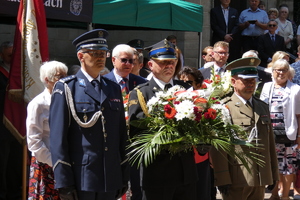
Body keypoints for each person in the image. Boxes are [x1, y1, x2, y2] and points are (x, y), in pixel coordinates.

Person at [49, 29, 129, 200]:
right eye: (94, 53)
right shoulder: (66, 88)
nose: (100, 58)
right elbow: (58, 139)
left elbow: (121, 134)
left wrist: (123, 172)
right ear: (81, 56)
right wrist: (64, 181)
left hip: (110, 175)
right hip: (81, 176)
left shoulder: (112, 87)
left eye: (103, 53)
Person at [128, 39, 197, 200]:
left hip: (186, 172)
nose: (169, 66)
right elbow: (136, 135)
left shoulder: (186, 89)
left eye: (172, 62)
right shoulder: (140, 93)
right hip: (157, 174)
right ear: (151, 65)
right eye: (164, 62)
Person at [210, 57, 279, 200]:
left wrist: (274, 174)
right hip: (238, 176)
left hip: (261, 176)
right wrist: (222, 178)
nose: (251, 83)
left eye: (253, 80)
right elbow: (219, 148)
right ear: (233, 82)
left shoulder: (262, 106)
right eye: (246, 80)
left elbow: (270, 143)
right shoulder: (224, 108)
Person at [27, 61, 68, 199]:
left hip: (67, 162)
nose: (64, 79)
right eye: (59, 76)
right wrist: (53, 161)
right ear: (47, 79)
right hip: (47, 163)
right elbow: (34, 141)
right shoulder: (38, 104)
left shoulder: (69, 99)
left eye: (65, 75)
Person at [260, 59, 300, 200]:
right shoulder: (266, 87)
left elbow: (299, 115)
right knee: (274, 164)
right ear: (273, 71)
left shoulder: (295, 89)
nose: (281, 73)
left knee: (289, 165)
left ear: (288, 72)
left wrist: (299, 136)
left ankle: (285, 195)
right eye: (278, 70)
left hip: (289, 133)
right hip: (270, 134)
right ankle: (275, 193)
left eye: (284, 70)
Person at [0, 41, 23, 200]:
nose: (12, 58)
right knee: (2, 163)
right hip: (2, 125)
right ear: (1, 55)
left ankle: (15, 193)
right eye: (9, 55)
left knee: (16, 162)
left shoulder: (22, 74)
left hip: (18, 124)